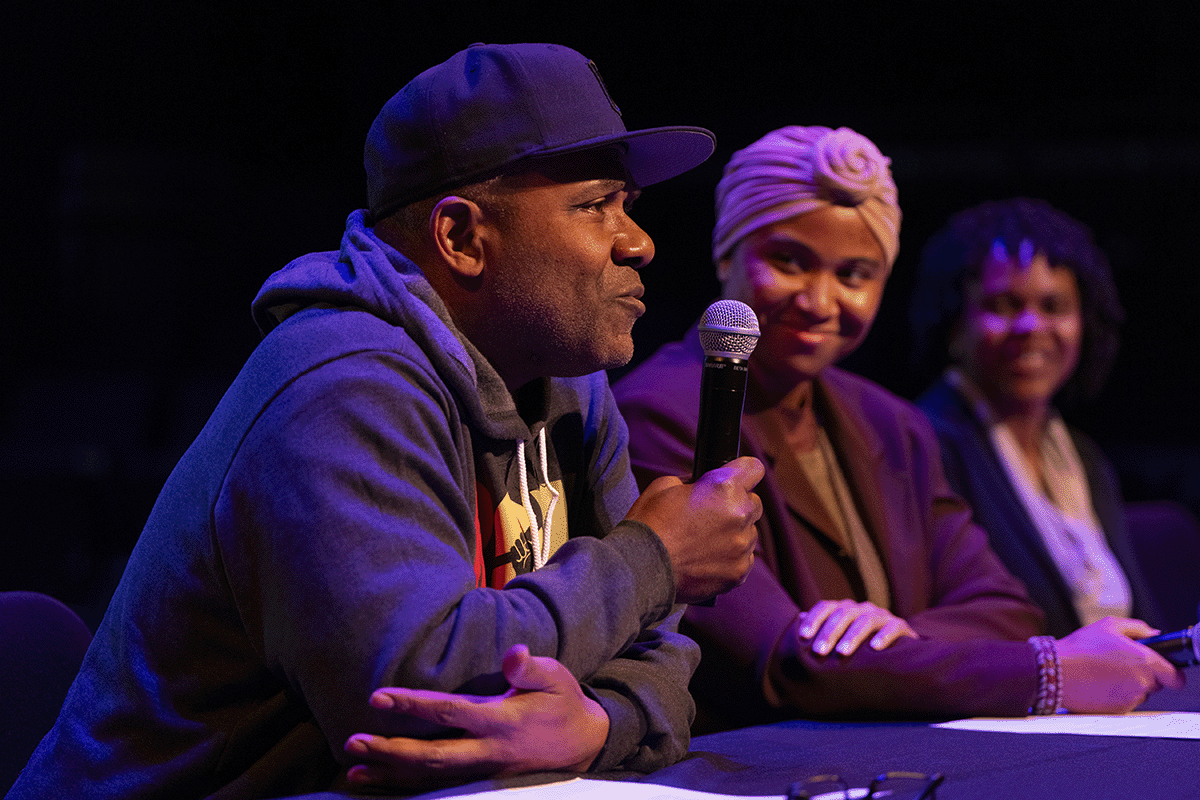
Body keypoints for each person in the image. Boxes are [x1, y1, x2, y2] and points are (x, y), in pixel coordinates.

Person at [7, 43, 763, 799]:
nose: (640, 241)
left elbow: (658, 645)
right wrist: (653, 559)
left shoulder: (573, 383)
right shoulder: (340, 384)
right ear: (462, 238)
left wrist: (600, 723)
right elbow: (414, 701)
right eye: (596, 205)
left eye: (628, 205)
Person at [613, 125, 1182, 732]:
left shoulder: (893, 423)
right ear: (726, 254)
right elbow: (786, 666)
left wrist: (898, 635)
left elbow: (1010, 609)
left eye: (854, 274)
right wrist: (1049, 673)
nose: (820, 300)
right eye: (788, 262)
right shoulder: (662, 410)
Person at [908, 198, 1164, 638]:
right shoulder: (923, 444)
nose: (1031, 326)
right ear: (954, 325)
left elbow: (1142, 624)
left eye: (1053, 306)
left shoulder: (1084, 459)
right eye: (1004, 304)